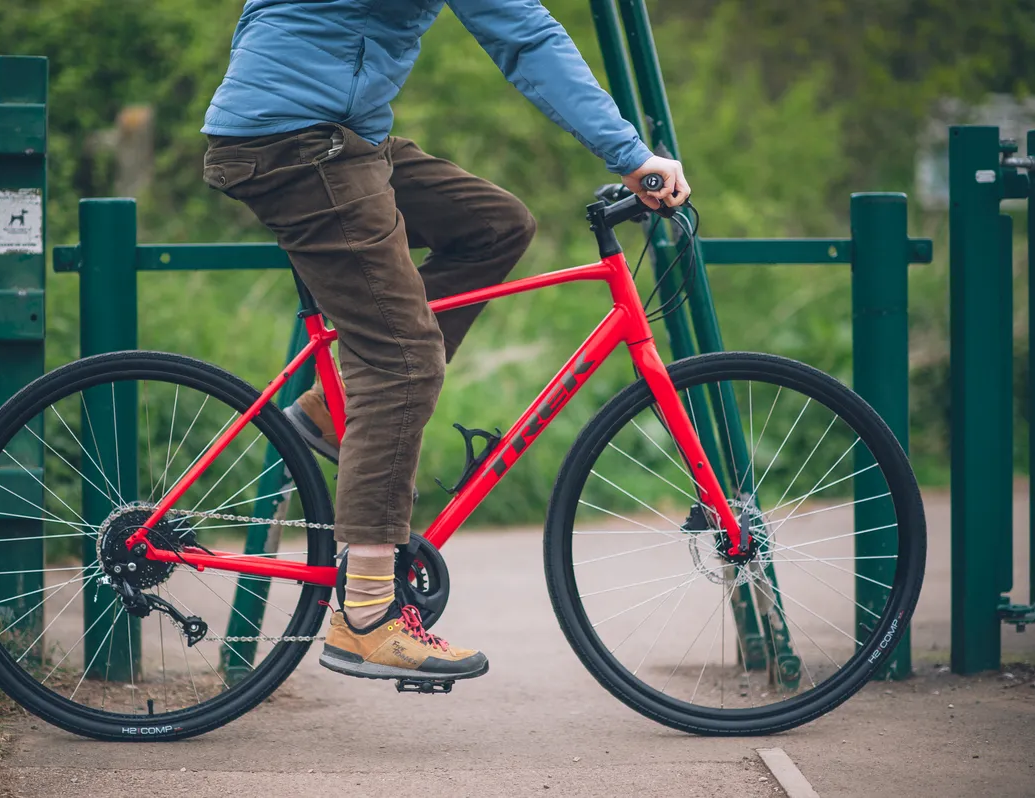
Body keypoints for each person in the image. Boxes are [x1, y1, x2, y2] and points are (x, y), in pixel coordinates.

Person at [202, 0, 691, 686]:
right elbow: (523, 36)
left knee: (495, 226)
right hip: (298, 145)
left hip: (337, 135)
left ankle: (327, 411)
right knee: (402, 360)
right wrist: (632, 156)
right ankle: (366, 614)